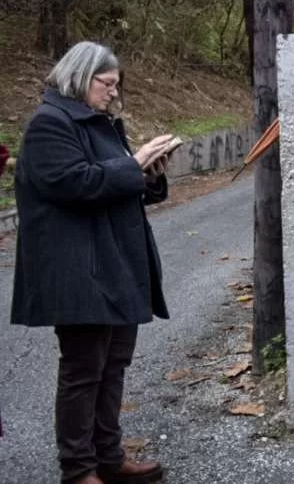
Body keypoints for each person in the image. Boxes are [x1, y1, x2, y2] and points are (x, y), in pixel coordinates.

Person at [10, 42, 178, 484]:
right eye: (107, 84)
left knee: (113, 364)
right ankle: (79, 469)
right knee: (84, 370)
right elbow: (73, 184)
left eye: (116, 86)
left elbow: (117, 183)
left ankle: (109, 456)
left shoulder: (99, 123)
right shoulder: (50, 124)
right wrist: (133, 163)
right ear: (82, 77)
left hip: (116, 262)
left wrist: (150, 174)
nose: (112, 94)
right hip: (78, 267)